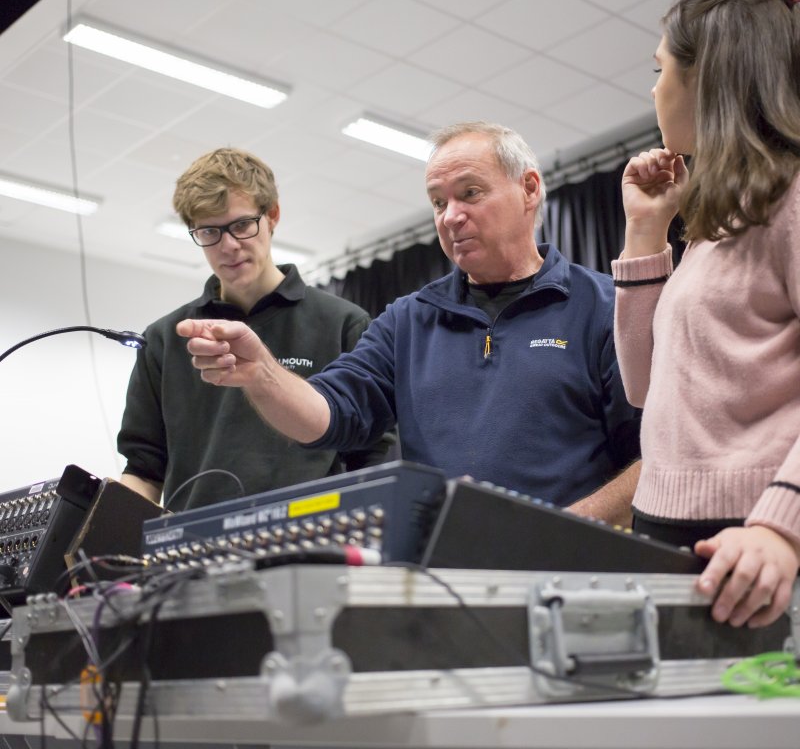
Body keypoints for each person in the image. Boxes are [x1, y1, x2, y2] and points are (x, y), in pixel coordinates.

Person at [177, 122, 642, 523]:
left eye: (470, 193)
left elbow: (656, 456)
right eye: (438, 203)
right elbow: (328, 414)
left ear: (529, 189)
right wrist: (261, 373)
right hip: (444, 584)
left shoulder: (604, 306)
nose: (452, 216)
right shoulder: (408, 321)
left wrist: (559, 531)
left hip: (571, 581)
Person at [612, 0, 800, 628]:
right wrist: (645, 231)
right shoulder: (717, 222)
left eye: (661, 69)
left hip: (758, 543)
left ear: (706, 79)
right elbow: (642, 385)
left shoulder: (794, 200)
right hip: (669, 530)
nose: (655, 89)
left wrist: (783, 527)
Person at [117, 148, 391, 511]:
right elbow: (143, 469)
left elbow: (375, 456)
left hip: (308, 545)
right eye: (210, 231)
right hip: (192, 552)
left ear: (272, 216)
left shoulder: (343, 324)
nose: (229, 246)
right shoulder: (165, 339)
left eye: (242, 225)